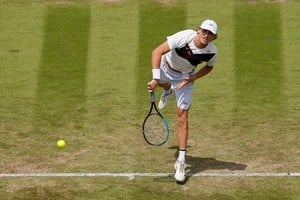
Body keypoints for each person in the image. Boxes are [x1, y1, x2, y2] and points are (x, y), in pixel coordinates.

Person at [147, 19, 218, 183]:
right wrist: (156, 78)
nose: (206, 35)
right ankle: (166, 90)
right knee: (163, 84)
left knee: (182, 115)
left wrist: (192, 78)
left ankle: (181, 161)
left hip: (184, 78)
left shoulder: (212, 51)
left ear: (214, 37)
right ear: (198, 30)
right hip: (166, 68)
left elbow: (209, 67)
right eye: (204, 31)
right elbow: (157, 51)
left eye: (210, 34)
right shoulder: (184, 36)